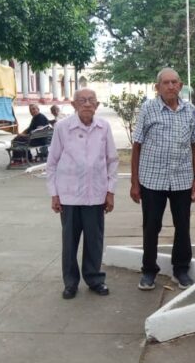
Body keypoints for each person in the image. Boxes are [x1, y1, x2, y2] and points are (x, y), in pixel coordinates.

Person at [131, 68, 195, 291]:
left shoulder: (189, 110)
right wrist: (134, 182)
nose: (171, 86)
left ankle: (181, 269)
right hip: (152, 179)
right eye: (166, 83)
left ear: (181, 86)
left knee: (183, 225)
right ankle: (148, 271)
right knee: (151, 226)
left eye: (174, 82)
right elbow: (137, 145)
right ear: (157, 87)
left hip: (182, 179)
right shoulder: (148, 109)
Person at [46, 89, 118, 300]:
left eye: (91, 100)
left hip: (96, 194)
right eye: (82, 100)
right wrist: (54, 194)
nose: (87, 104)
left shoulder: (103, 127)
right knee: (70, 242)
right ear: (73, 104)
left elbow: (112, 160)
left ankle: (95, 279)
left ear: (97, 105)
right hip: (68, 195)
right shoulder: (62, 127)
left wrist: (110, 191)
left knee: (94, 239)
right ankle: (70, 283)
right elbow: (52, 163)